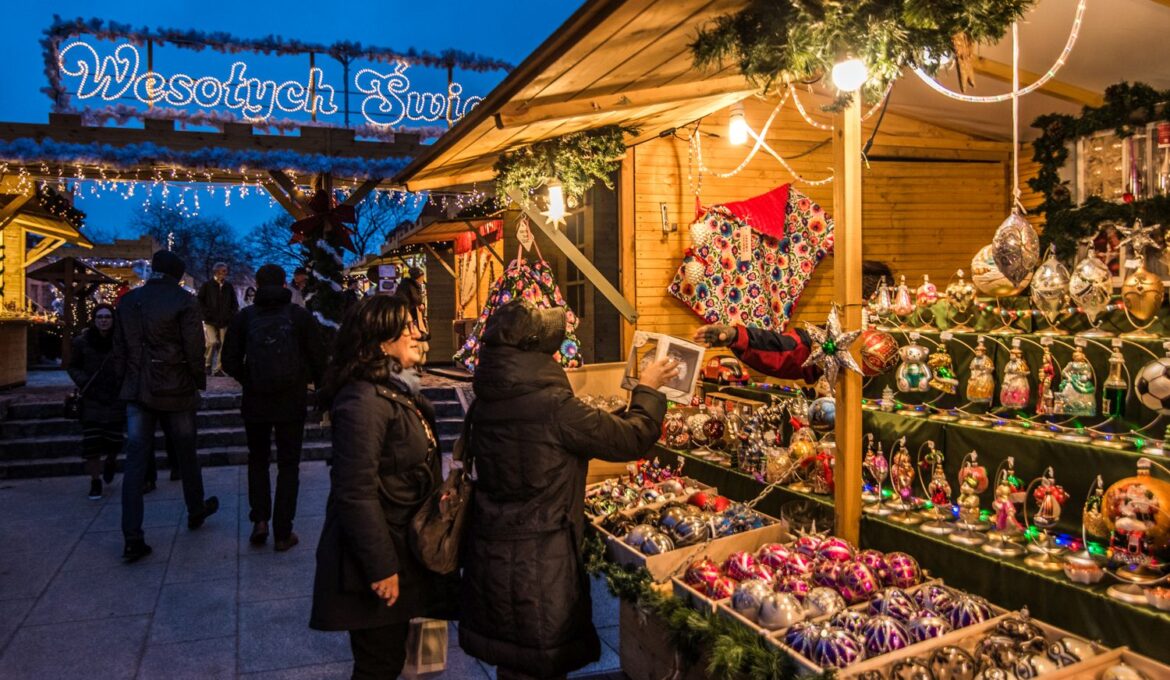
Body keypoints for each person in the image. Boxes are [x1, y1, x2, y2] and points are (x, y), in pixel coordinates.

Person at [460, 300, 679, 680]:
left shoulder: (489, 400)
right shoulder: (552, 406)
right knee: (537, 666)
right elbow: (631, 439)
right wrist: (647, 389)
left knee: (512, 663)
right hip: (539, 565)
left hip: (492, 555)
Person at [309, 295, 439, 679]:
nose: (418, 334)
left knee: (391, 657)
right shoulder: (363, 399)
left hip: (403, 543)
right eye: (408, 326)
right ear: (381, 340)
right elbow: (354, 491)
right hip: (375, 558)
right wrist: (381, 566)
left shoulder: (397, 389)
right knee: (378, 663)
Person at [113, 250, 219, 563]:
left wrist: (127, 381)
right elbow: (194, 346)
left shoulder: (129, 301)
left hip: (138, 387)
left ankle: (132, 535)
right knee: (186, 452)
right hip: (175, 387)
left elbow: (119, 349)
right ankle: (195, 507)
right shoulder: (184, 301)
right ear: (178, 274)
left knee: (135, 462)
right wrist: (198, 381)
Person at [222, 264, 326, 552]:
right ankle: (283, 531)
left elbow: (228, 360)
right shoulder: (298, 316)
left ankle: (260, 521)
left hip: (255, 401)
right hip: (291, 400)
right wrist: (314, 387)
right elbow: (319, 359)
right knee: (289, 464)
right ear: (284, 285)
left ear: (258, 283)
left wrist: (250, 379)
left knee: (258, 460)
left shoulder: (245, 317)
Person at [693, 260, 893, 382]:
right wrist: (736, 336)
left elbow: (785, 350)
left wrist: (736, 336)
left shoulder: (898, 335)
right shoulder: (831, 341)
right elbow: (786, 350)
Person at [67, 303, 125, 500]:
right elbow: (73, 366)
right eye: (100, 317)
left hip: (115, 397)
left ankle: (110, 461)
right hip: (92, 398)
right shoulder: (82, 342)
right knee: (92, 444)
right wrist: (84, 382)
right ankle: (95, 480)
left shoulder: (120, 342)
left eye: (107, 316)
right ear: (94, 319)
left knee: (115, 441)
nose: (103, 320)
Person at [197, 262, 238, 376]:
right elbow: (199, 301)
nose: (225, 273)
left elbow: (234, 303)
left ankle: (218, 369)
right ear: (217, 272)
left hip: (224, 320)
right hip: (210, 320)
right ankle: (207, 364)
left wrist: (231, 314)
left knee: (224, 344)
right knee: (212, 341)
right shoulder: (207, 285)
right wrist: (206, 313)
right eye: (223, 271)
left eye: (225, 271)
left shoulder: (228, 286)